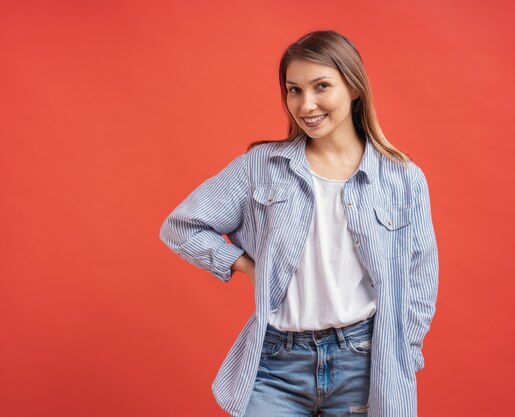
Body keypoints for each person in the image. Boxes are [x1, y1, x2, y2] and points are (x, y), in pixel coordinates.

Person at [159, 30, 439, 417]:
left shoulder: (403, 179)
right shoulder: (261, 167)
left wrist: (402, 356)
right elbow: (182, 226)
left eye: (321, 86)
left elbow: (421, 279)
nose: (306, 104)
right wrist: (245, 265)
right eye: (294, 90)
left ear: (354, 87)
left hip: (362, 363)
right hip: (277, 362)